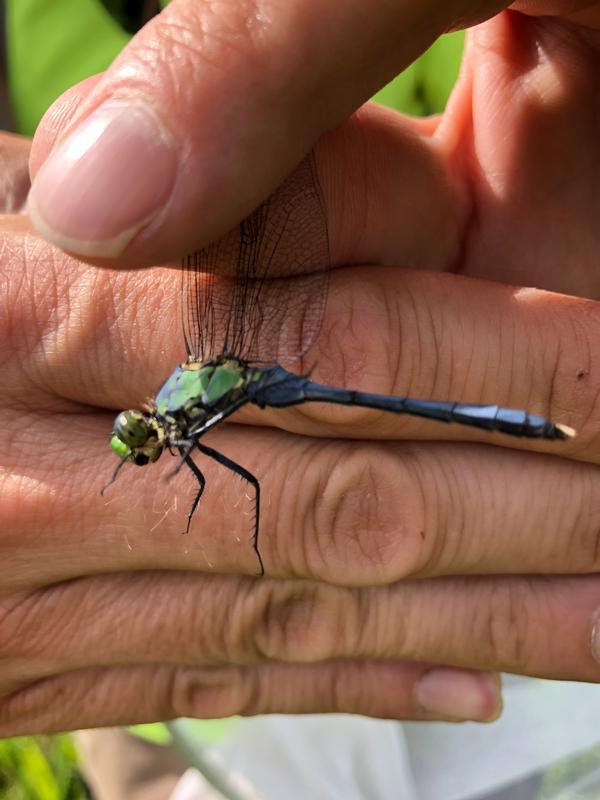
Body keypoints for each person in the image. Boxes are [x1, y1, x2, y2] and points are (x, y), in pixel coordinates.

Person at [0, 0, 599, 797]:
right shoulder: (180, 402)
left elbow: (224, 478)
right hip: (172, 696)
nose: (145, 442)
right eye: (142, 441)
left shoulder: (182, 417)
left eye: (141, 437)